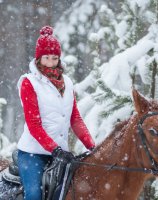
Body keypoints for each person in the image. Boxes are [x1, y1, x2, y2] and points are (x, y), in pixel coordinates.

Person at [17, 26, 95, 200]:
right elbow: (34, 125)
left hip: (61, 155)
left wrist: (92, 146)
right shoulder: (29, 83)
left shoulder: (67, 82)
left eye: (55, 58)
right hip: (32, 154)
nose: (51, 62)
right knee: (35, 194)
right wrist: (55, 149)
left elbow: (75, 119)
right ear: (38, 58)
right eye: (46, 58)